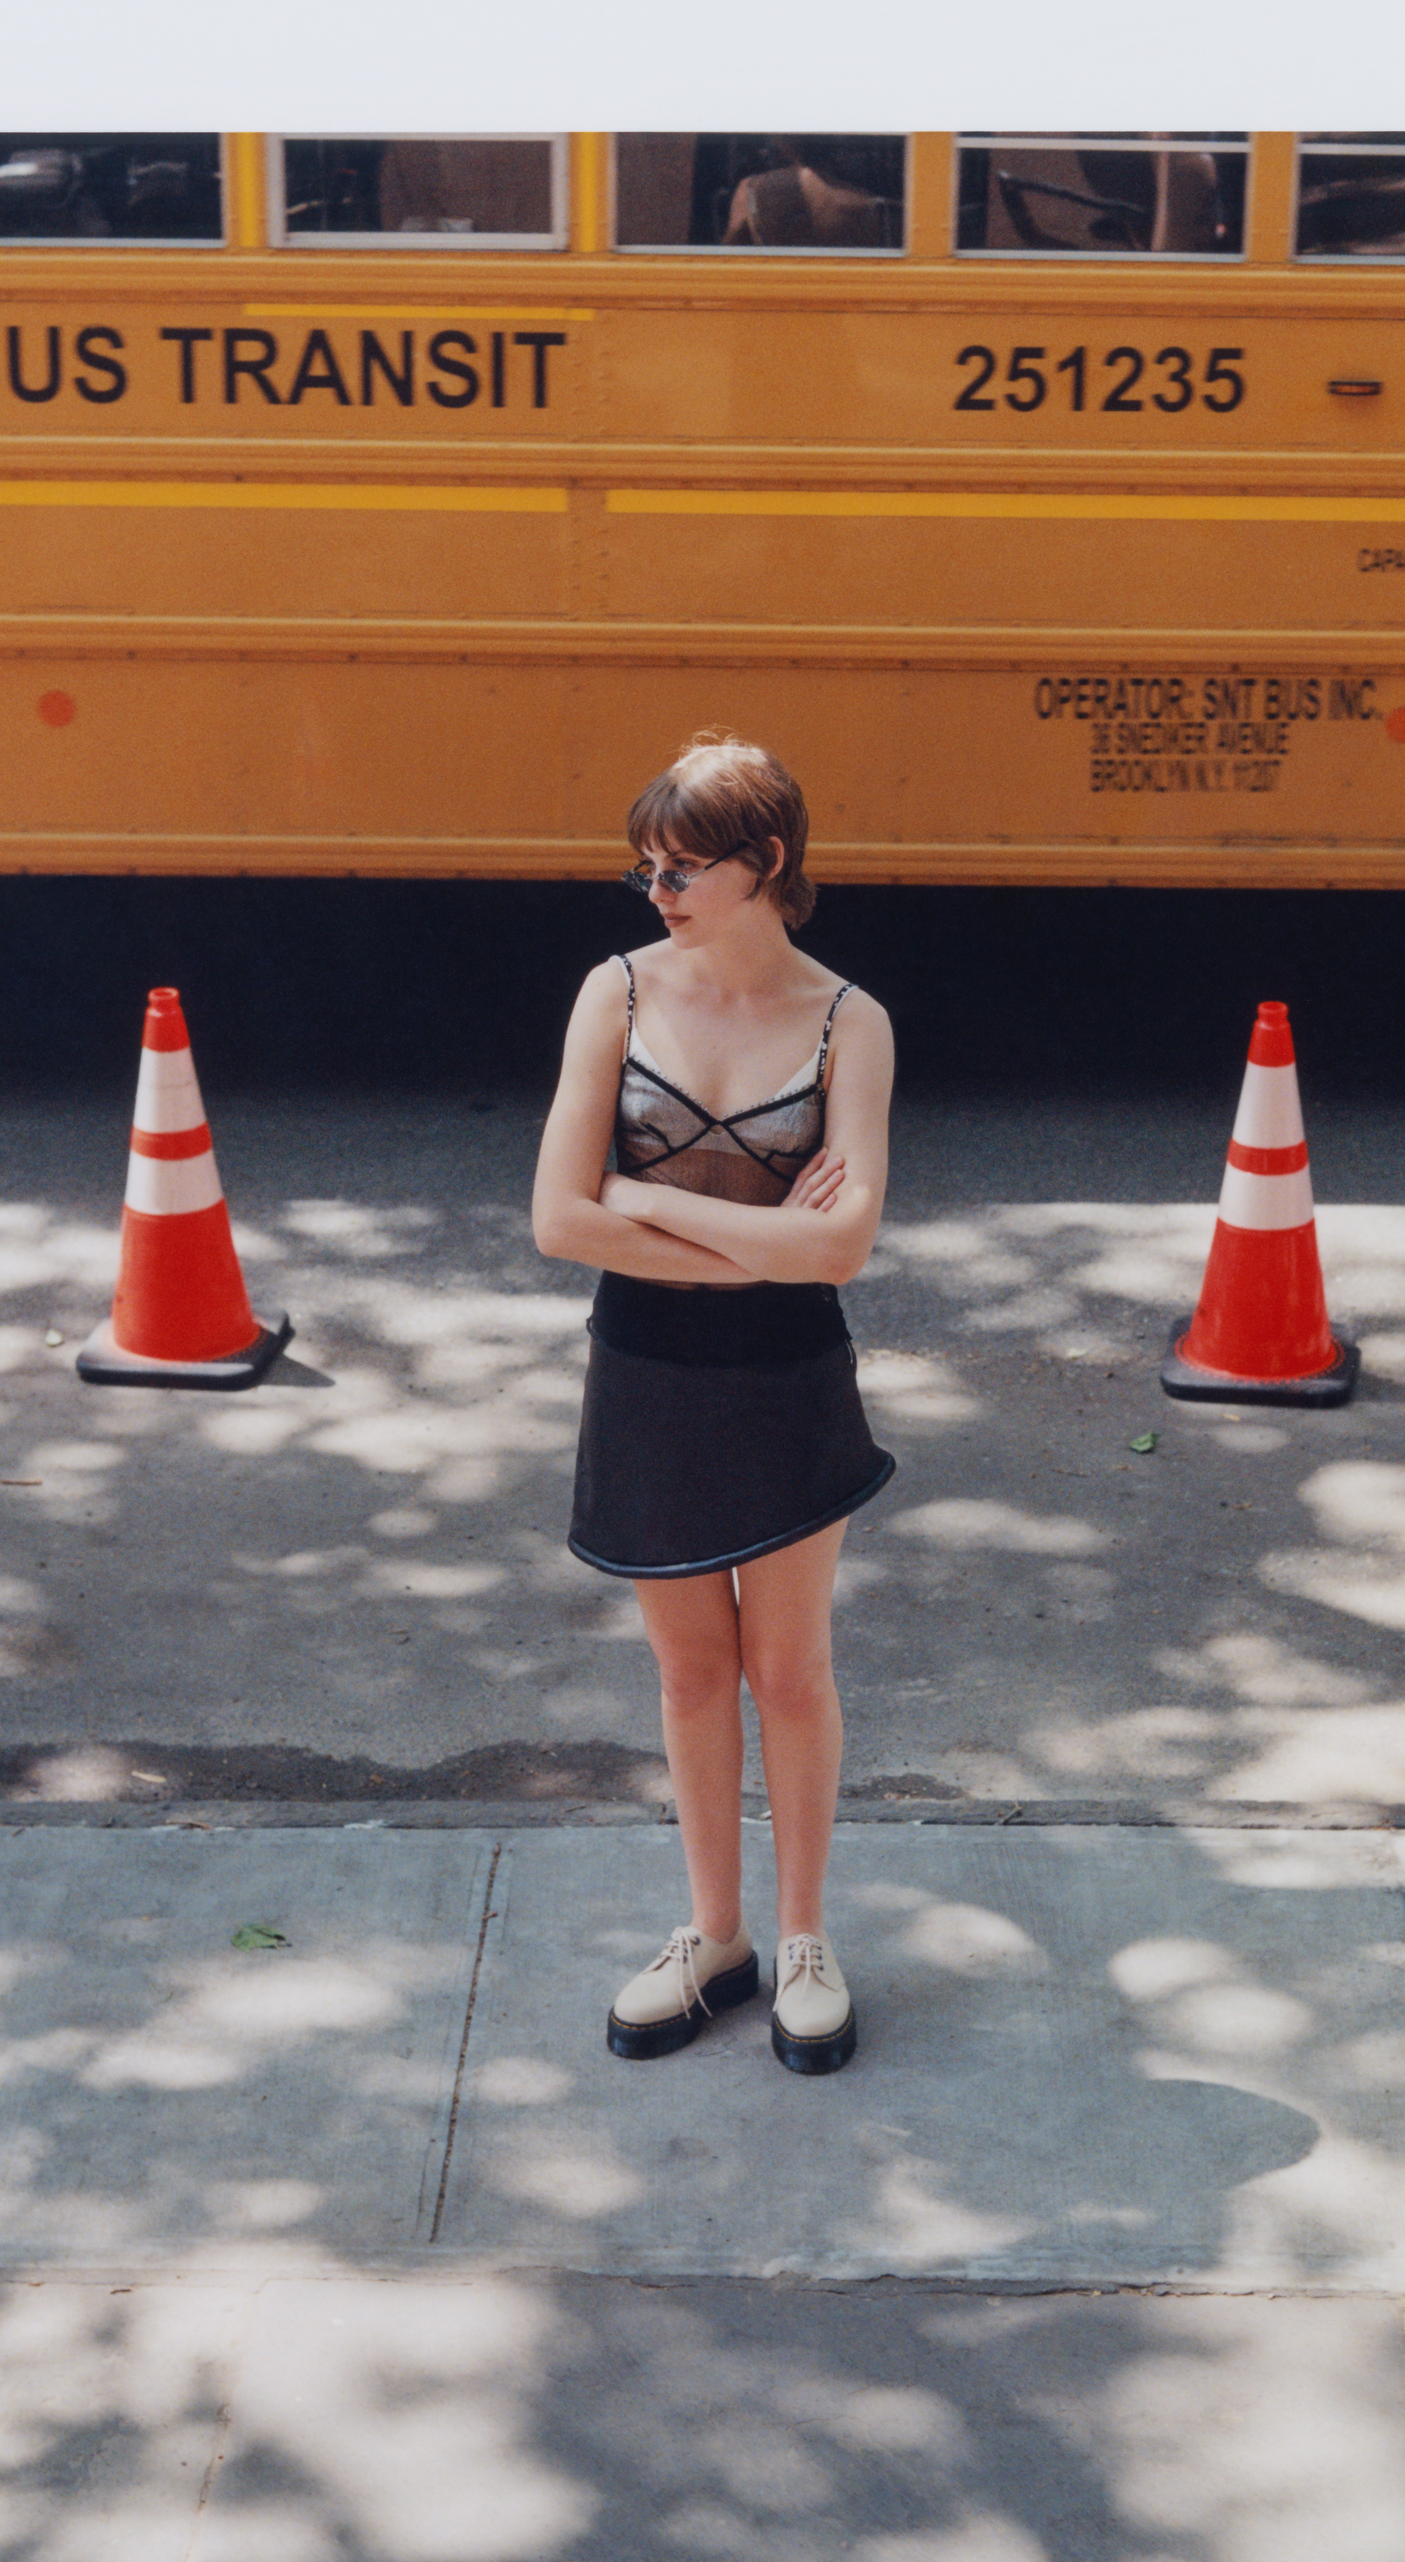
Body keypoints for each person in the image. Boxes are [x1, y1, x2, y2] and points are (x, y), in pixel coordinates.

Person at [531, 733, 897, 2075]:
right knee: (692, 1673)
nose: (658, 891)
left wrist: (651, 1197)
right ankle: (715, 1934)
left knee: (788, 1674)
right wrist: (751, 1236)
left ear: (768, 865)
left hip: (789, 1373)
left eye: (683, 869)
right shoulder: (615, 994)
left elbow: (843, 1251)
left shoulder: (850, 1018)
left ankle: (803, 1938)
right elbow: (558, 1220)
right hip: (648, 1369)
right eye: (647, 867)